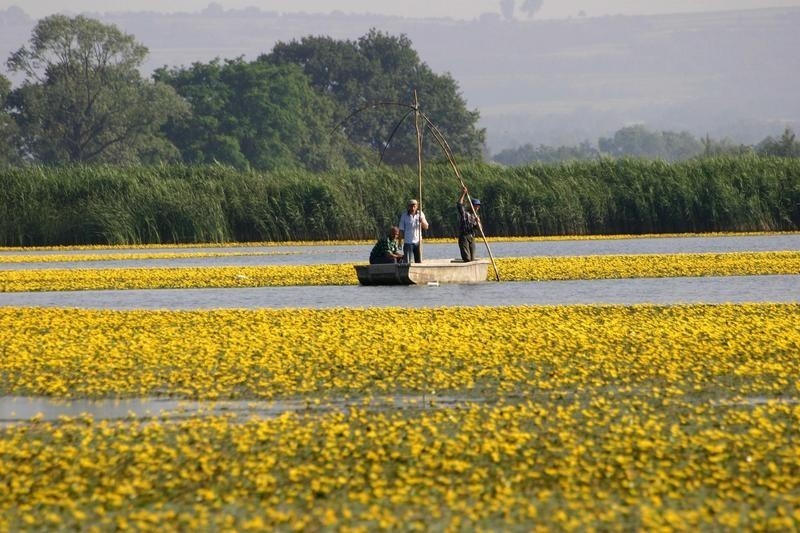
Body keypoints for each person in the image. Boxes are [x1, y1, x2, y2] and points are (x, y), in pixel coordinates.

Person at [398, 199, 429, 263]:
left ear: (417, 206)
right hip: (408, 242)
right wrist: (400, 241)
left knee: (419, 261)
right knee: (407, 261)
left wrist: (422, 221)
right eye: (411, 206)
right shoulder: (404, 216)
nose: (412, 208)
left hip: (418, 242)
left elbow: (426, 227)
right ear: (408, 207)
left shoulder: (420, 214)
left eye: (414, 206)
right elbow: (401, 230)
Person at [457, 185, 481, 262]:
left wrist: (478, 223)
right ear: (471, 206)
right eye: (475, 206)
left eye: (478, 206)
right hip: (464, 236)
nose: (477, 208)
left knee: (472, 258)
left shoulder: (476, 216)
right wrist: (463, 194)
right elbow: (459, 205)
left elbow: (480, 230)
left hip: (472, 237)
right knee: (467, 258)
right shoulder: (465, 213)